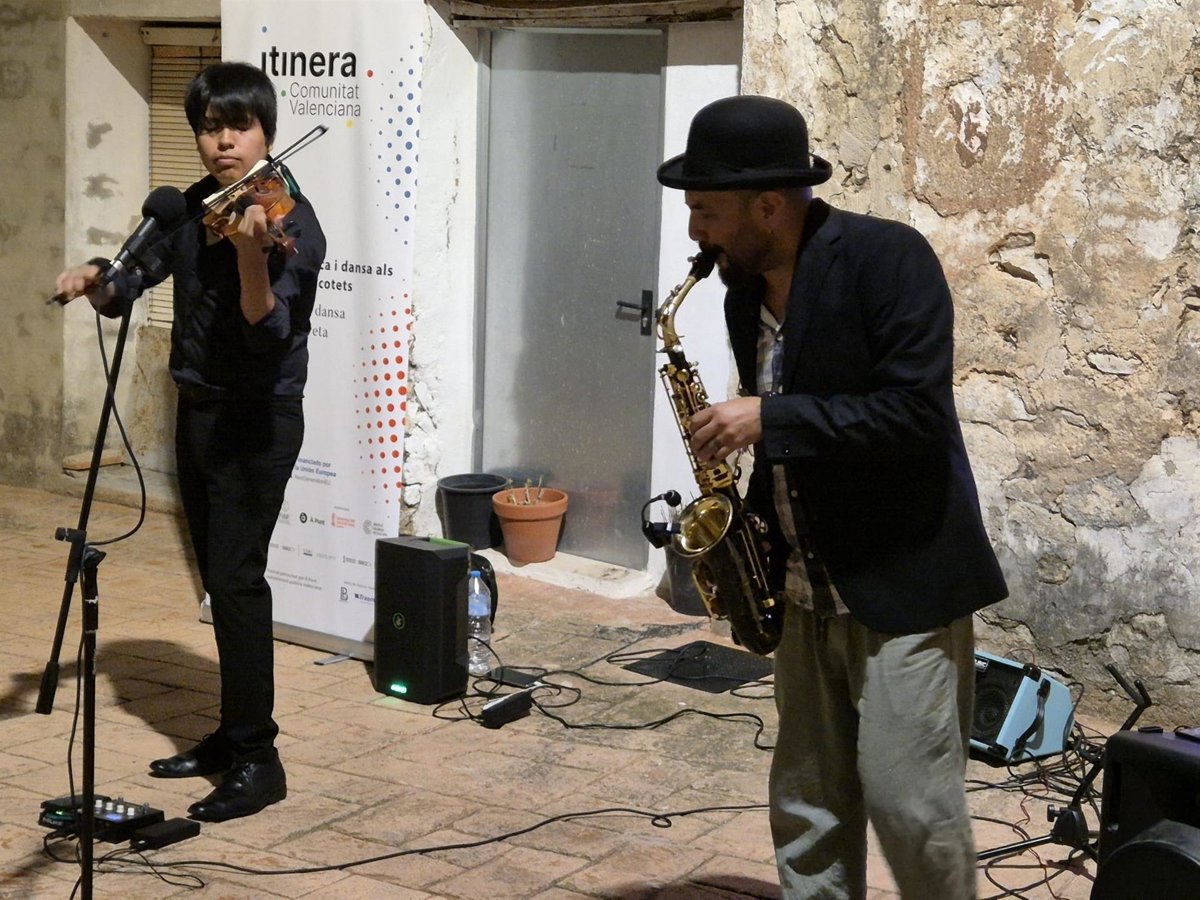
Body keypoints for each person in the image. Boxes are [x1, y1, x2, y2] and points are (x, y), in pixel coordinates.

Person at [657, 95, 1008, 899]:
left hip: (901, 582)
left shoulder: (888, 261)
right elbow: (791, 448)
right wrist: (746, 537)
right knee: (807, 806)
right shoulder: (742, 293)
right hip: (802, 590)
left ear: (768, 206)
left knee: (911, 804)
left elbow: (915, 414)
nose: (695, 231)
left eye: (706, 211)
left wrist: (770, 416)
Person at [55, 62, 326, 822]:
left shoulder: (289, 220)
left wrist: (250, 256)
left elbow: (267, 329)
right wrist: (98, 280)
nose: (223, 142)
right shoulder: (191, 205)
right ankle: (230, 736)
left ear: (266, 133)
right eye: (210, 128)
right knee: (217, 579)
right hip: (198, 409)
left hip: (258, 419)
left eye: (238, 126)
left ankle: (259, 760)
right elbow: (130, 281)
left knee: (238, 582)